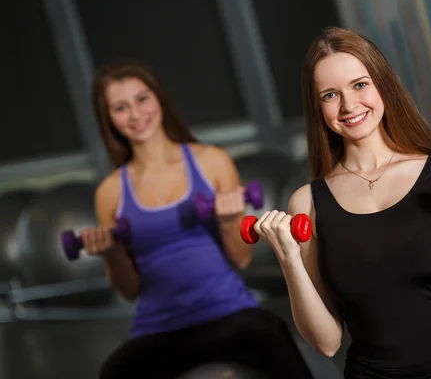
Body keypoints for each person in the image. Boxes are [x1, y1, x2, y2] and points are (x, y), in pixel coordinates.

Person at [250, 27, 431, 378]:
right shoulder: (308, 203)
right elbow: (326, 343)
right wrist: (288, 258)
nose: (349, 105)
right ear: (317, 107)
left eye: (359, 85)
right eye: (330, 95)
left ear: (382, 85)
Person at [79, 59, 314, 379]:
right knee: (114, 371)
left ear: (159, 97)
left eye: (142, 98)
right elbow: (130, 290)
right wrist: (112, 254)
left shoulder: (212, 162)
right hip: (159, 329)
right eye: (120, 108)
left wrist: (230, 221)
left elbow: (242, 260)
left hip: (229, 315)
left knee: (271, 335)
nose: (135, 115)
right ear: (108, 119)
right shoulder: (109, 192)